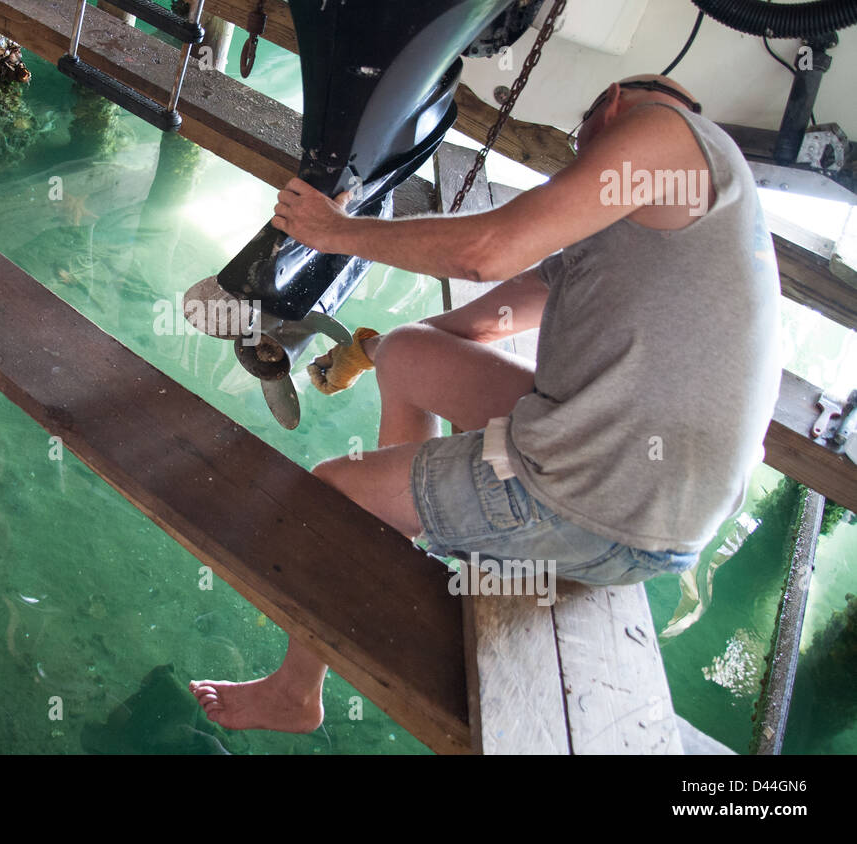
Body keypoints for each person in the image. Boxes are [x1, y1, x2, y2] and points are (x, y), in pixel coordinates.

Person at [190, 74, 782, 734]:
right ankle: (408, 519)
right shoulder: (661, 211)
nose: (577, 171)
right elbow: (486, 321)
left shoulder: (666, 137)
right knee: (411, 353)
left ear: (609, 110)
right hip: (657, 492)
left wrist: (337, 232)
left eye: (578, 149)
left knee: (333, 494)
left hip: (608, 506)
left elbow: (486, 253)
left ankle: (295, 692)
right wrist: (372, 352)